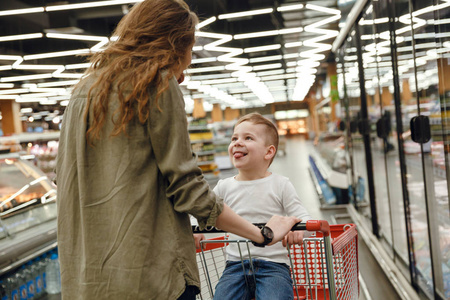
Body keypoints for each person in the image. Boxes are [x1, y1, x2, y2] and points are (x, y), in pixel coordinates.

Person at [55, 1, 300, 299]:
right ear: (177, 43)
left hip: (86, 280)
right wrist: (261, 234)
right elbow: (188, 188)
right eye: (191, 48)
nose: (191, 59)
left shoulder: (85, 90)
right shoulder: (156, 82)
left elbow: (65, 177)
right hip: (147, 275)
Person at [210, 112, 312, 300]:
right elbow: (203, 213)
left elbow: (304, 218)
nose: (237, 142)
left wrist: (300, 230)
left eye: (248, 138)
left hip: (273, 266)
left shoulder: (281, 184)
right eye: (234, 138)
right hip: (235, 265)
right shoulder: (224, 186)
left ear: (269, 152)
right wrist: (198, 231)